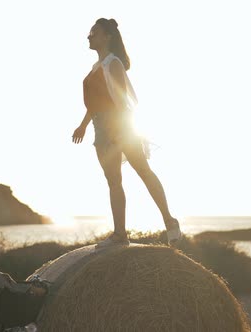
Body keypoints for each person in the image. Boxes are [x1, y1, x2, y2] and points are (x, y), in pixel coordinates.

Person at [72, 18, 182, 248]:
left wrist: (124, 130)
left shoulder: (113, 64)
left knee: (143, 171)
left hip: (120, 126)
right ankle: (120, 233)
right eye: (89, 33)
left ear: (107, 36)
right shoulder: (94, 69)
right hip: (100, 129)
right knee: (113, 181)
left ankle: (170, 221)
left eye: (94, 32)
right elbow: (94, 105)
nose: (89, 36)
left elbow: (123, 99)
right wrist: (82, 125)